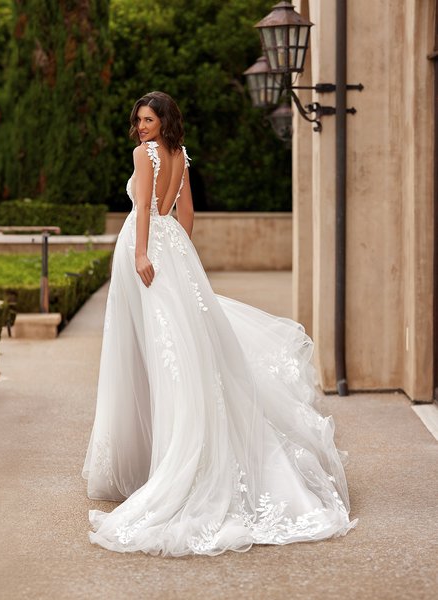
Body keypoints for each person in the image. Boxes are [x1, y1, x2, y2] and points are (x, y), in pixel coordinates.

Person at [82, 91, 357, 556]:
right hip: (173, 250)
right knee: (182, 349)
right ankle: (163, 453)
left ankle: (169, 461)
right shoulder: (180, 155)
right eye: (138, 120)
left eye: (148, 119)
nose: (141, 127)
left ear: (163, 120)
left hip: (143, 250)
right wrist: (174, 251)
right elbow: (183, 216)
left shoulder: (144, 155)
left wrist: (145, 253)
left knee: (154, 352)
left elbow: (145, 208)